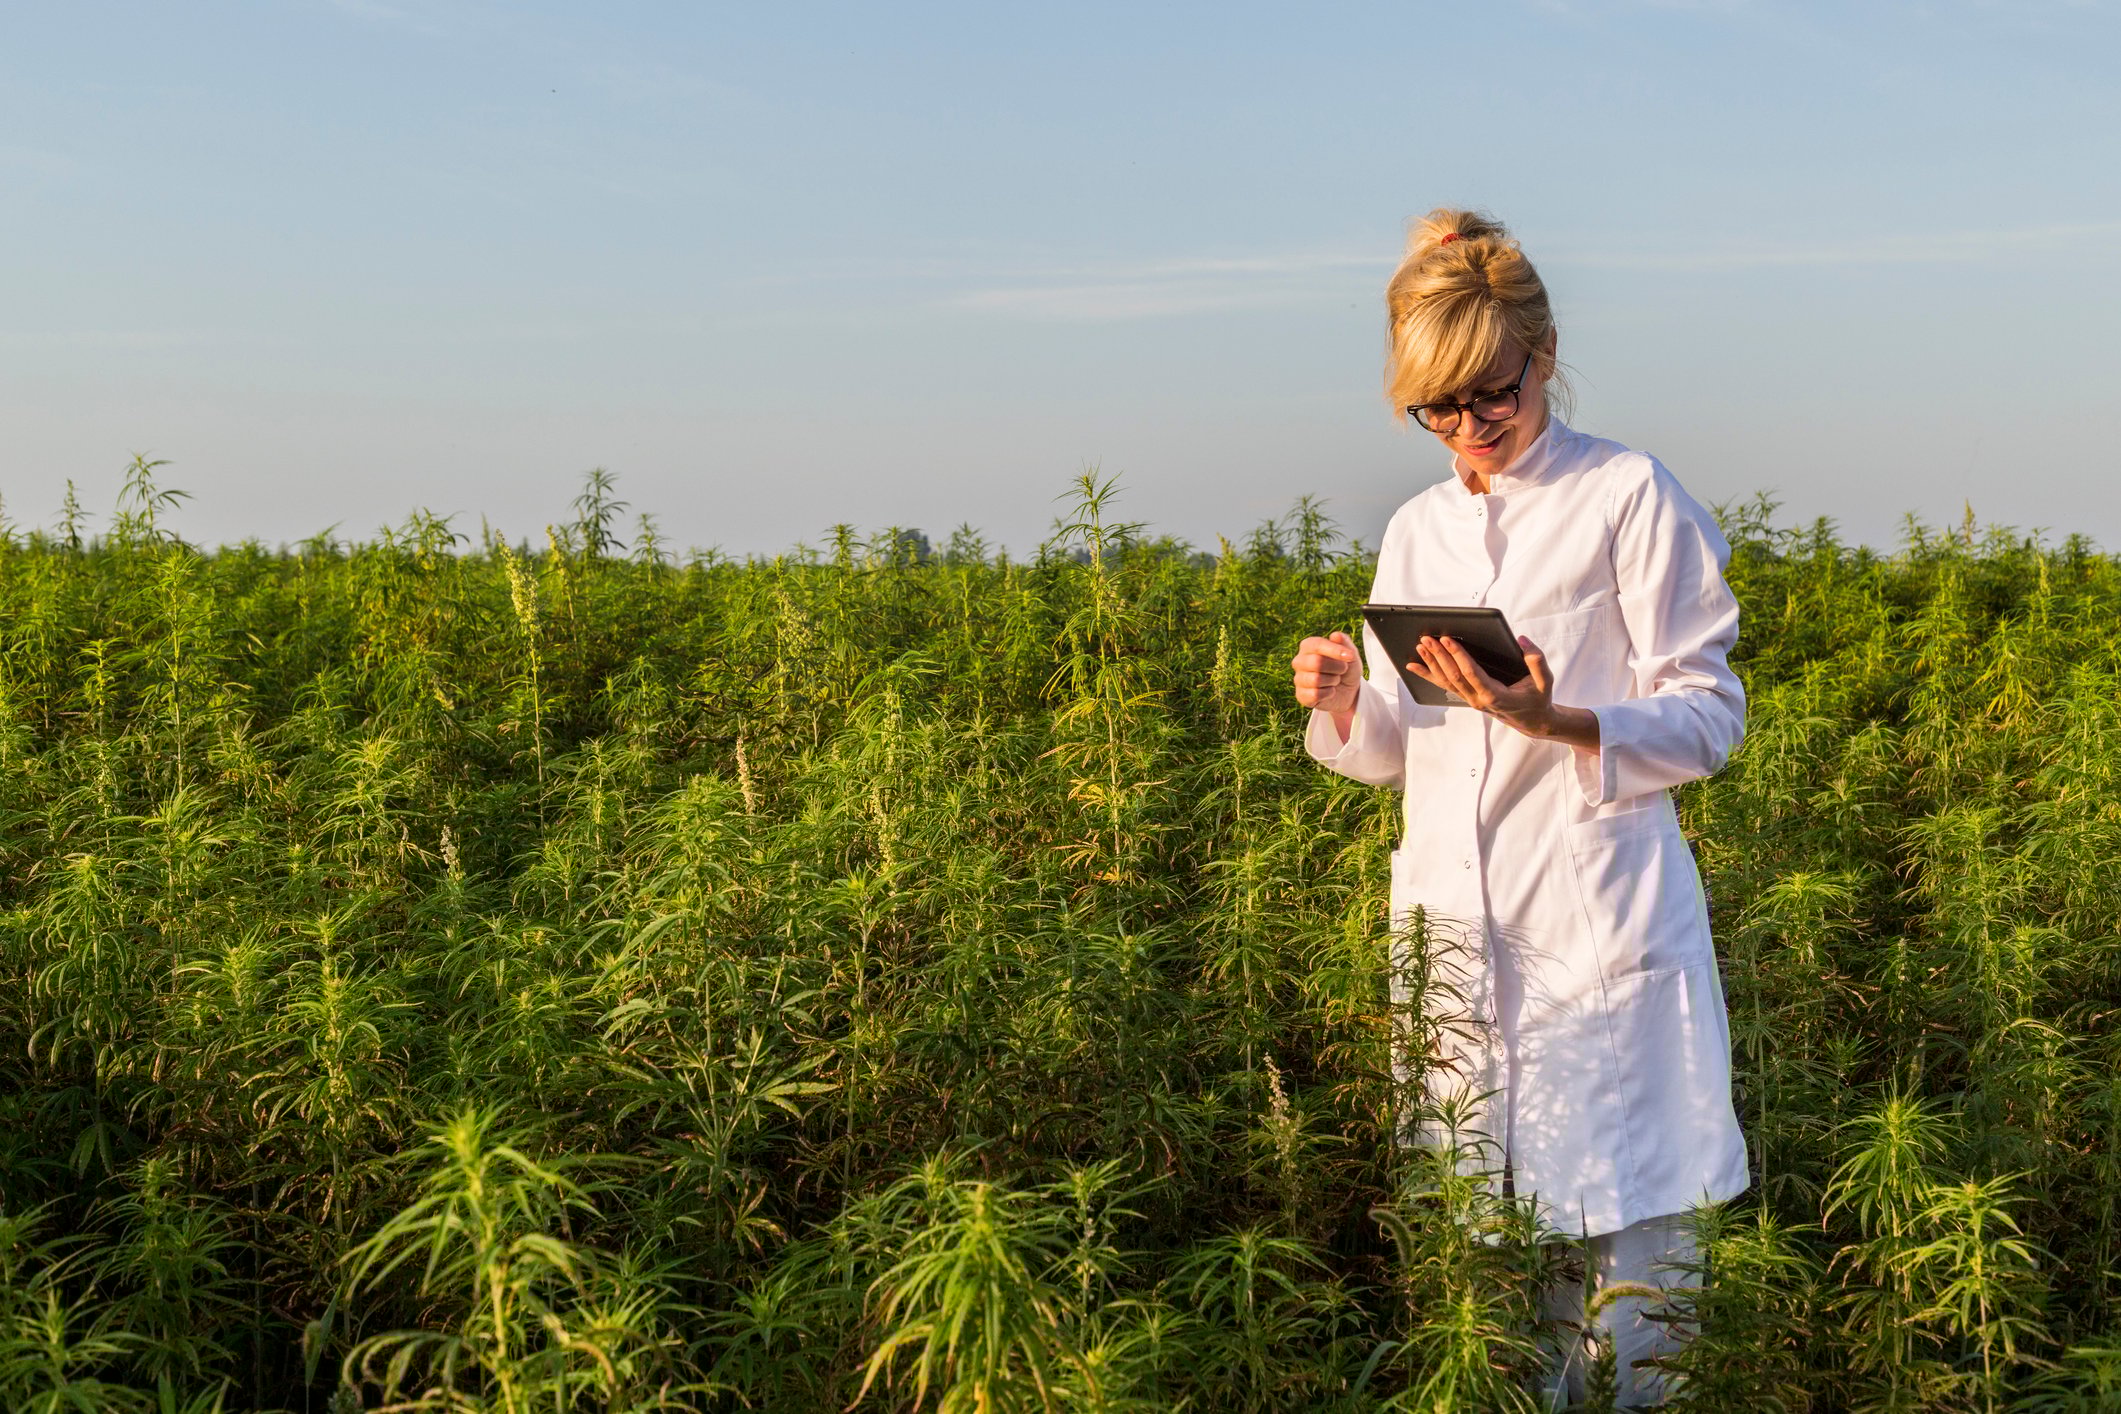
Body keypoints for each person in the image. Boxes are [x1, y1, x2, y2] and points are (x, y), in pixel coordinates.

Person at [1289, 209, 1747, 1406]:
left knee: (1636, 1282)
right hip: (1458, 936)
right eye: (1435, 409)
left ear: (1544, 353)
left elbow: (1710, 712)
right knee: (1488, 1270)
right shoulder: (1416, 528)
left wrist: (1562, 723)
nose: (1467, 430)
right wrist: (1343, 701)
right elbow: (1398, 745)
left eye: (1488, 395)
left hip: (1598, 916)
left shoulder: (1628, 496)